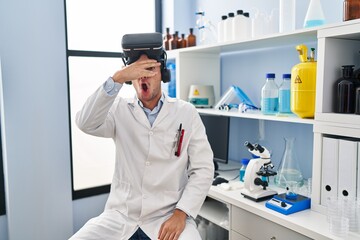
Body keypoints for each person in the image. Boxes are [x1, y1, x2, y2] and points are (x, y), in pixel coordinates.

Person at [70, 33, 214, 240]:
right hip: (121, 216)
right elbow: (85, 122)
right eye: (136, 72)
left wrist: (181, 213)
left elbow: (203, 169)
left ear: (161, 72)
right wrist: (117, 78)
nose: (143, 77)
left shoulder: (186, 112)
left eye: (149, 70)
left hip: (167, 215)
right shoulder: (118, 109)